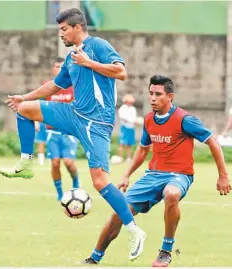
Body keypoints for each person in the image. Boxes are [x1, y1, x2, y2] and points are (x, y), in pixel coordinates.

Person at [0, 8, 146, 260]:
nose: (61, 34)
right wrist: (24, 96)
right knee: (24, 110)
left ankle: (134, 230)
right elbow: (55, 86)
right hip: (74, 113)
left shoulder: (98, 45)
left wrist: (89, 63)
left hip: (96, 123)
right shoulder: (70, 57)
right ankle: (26, 163)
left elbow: (121, 72)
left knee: (100, 181)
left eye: (64, 29)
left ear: (77, 28)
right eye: (59, 30)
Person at [82, 74, 231, 267]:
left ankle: (166, 251)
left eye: (158, 94)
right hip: (152, 175)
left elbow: (213, 141)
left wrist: (223, 175)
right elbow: (143, 149)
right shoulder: (149, 120)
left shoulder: (185, 119)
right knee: (120, 212)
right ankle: (94, 258)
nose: (153, 98)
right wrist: (126, 175)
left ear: (170, 97)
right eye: (151, 93)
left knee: (171, 193)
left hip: (180, 175)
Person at [45, 57, 79, 200]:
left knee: (69, 163)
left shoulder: (73, 88)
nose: (59, 69)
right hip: (52, 133)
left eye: (61, 66)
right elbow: (39, 105)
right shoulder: (47, 87)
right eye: (56, 66)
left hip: (68, 132)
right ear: (53, 69)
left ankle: (76, 181)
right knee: (55, 162)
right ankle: (59, 193)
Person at [117, 94, 137, 163]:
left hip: (131, 128)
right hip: (124, 127)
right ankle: (120, 157)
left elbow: (134, 118)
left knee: (129, 144)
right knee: (122, 143)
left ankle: (129, 158)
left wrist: (136, 122)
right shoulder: (123, 108)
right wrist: (131, 120)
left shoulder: (133, 109)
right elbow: (123, 117)